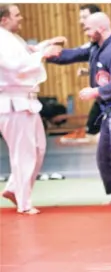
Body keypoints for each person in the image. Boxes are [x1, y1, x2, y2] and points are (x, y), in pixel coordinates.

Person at [47, 12, 111, 210]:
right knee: (104, 156)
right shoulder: (97, 48)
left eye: (87, 28)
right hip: (108, 110)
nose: (85, 32)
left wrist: (95, 91)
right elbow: (73, 54)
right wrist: (49, 55)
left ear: (101, 28)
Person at [0, 4, 63, 214]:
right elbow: (17, 66)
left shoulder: (11, 38)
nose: (21, 18)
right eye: (16, 15)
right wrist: (44, 54)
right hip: (13, 104)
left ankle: (13, 189)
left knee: (38, 149)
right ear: (4, 19)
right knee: (23, 154)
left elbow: (28, 52)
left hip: (26, 103)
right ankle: (24, 203)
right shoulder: (1, 40)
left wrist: (46, 45)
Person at [58, 4, 103, 144]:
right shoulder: (94, 45)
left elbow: (72, 55)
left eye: (84, 17)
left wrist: (45, 52)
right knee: (95, 132)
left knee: (94, 132)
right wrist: (89, 71)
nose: (81, 21)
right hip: (104, 98)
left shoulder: (106, 44)